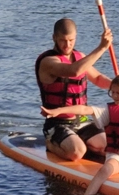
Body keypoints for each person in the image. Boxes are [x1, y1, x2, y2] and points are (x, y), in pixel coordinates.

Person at [41, 73, 119, 195]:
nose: (115, 96)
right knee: (104, 171)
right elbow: (84, 110)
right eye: (113, 92)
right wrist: (57, 111)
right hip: (118, 157)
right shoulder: (107, 110)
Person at [35, 18, 113, 161]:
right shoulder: (49, 61)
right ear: (54, 38)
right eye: (63, 40)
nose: (67, 45)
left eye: (71, 40)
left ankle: (80, 143)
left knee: (109, 147)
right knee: (77, 152)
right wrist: (102, 47)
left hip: (81, 120)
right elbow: (74, 71)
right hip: (57, 124)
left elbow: (98, 79)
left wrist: (116, 84)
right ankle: (51, 143)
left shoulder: (80, 57)